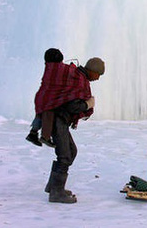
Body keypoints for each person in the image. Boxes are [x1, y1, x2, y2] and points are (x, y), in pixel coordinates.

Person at [36, 56, 105, 203]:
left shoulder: (78, 77)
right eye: (98, 74)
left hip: (59, 120)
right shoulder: (80, 81)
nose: (98, 78)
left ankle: (53, 186)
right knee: (65, 155)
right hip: (57, 120)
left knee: (71, 152)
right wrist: (88, 104)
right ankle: (56, 193)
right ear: (92, 71)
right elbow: (71, 106)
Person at [26, 48, 64, 147]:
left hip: (40, 96)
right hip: (48, 99)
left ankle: (33, 133)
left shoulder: (48, 68)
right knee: (48, 116)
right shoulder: (57, 68)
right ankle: (45, 137)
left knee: (39, 116)